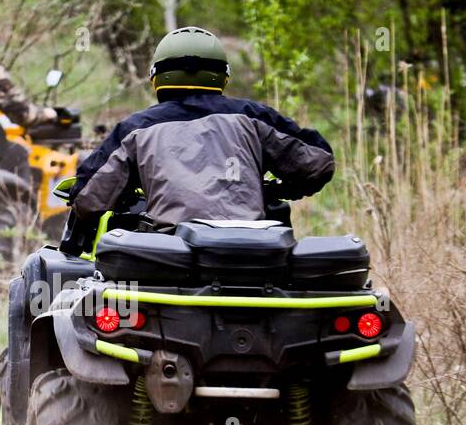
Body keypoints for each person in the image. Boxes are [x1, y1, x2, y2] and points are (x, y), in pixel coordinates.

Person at [60, 26, 335, 255]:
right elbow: (317, 163)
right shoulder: (252, 117)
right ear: (222, 77)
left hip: (169, 256)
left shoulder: (136, 128)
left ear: (157, 78)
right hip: (254, 253)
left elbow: (88, 199)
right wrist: (272, 191)